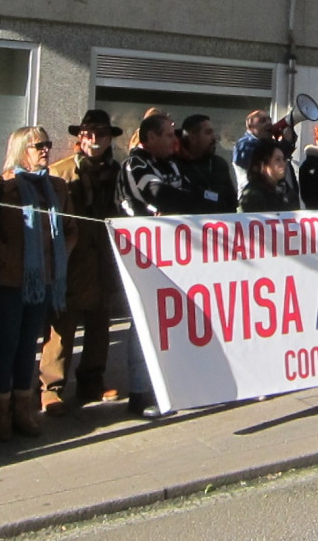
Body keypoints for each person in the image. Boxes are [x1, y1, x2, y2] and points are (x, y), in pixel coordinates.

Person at [0, 126, 76, 442]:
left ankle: (22, 407)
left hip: (45, 279)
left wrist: (61, 255)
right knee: (7, 345)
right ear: (21, 149)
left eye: (47, 144)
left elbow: (72, 228)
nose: (45, 150)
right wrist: (6, 256)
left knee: (29, 344)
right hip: (9, 281)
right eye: (38, 145)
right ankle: (1, 411)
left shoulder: (57, 187)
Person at [40, 110, 124, 415]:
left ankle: (92, 380)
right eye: (88, 134)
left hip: (105, 258)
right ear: (80, 137)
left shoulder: (119, 173)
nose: (94, 140)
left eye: (101, 134)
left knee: (101, 322)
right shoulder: (60, 172)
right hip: (72, 260)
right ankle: (51, 388)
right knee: (61, 325)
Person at [116, 112, 194, 417]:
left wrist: (185, 200)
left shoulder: (172, 164)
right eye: (167, 134)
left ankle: (169, 387)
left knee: (169, 320)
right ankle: (139, 393)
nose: (173, 140)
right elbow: (162, 196)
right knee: (143, 319)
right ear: (149, 138)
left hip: (174, 253)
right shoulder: (136, 164)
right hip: (142, 254)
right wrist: (180, 200)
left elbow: (189, 196)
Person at [175, 114, 238, 214]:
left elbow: (232, 203)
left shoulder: (219, 164)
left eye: (213, 132)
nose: (214, 138)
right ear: (192, 137)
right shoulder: (174, 165)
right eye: (208, 133)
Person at [239, 140, 300, 212]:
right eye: (277, 159)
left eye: (283, 159)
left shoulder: (287, 192)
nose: (283, 163)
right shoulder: (252, 196)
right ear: (263, 165)